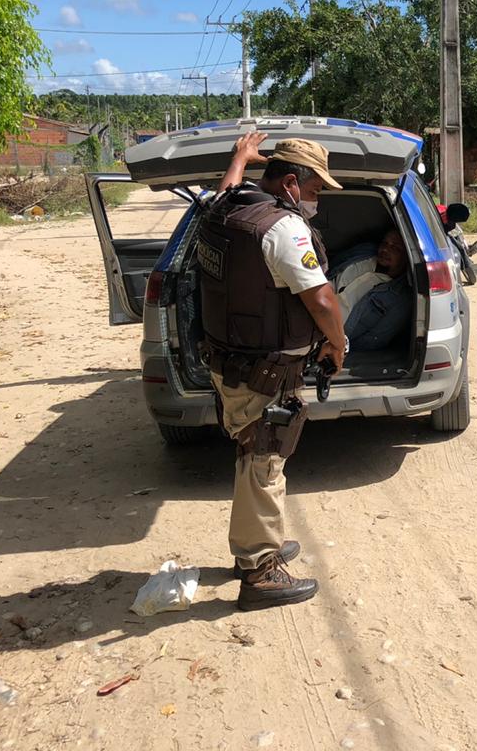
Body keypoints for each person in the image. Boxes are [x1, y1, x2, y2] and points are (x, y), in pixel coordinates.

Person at [196, 132, 347, 611]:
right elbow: (321, 299)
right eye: (315, 189)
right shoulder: (283, 230)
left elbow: (226, 187)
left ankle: (260, 541)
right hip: (262, 368)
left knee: (252, 451)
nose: (317, 199)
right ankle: (260, 570)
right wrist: (338, 346)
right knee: (264, 460)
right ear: (290, 183)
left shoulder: (225, 208)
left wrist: (238, 158)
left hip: (228, 360)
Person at [332, 230, 412, 352]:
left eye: (395, 248)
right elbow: (334, 264)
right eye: (384, 243)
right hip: (313, 300)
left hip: (330, 335)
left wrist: (339, 348)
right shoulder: (365, 252)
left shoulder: (399, 299)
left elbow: (375, 339)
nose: (385, 250)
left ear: (407, 257)